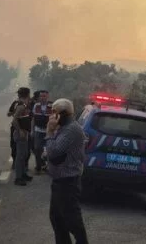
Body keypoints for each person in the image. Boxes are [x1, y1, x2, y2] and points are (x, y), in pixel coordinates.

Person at [46, 98, 88, 244]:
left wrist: (49, 131)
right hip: (60, 181)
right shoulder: (63, 128)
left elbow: (53, 152)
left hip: (68, 182)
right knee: (57, 219)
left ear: (63, 114)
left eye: (54, 112)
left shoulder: (71, 130)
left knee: (72, 221)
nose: (51, 116)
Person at [12, 87, 34, 186]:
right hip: (21, 134)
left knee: (24, 154)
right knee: (20, 156)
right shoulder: (21, 106)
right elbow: (14, 120)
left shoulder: (24, 105)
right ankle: (18, 178)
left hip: (25, 133)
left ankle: (23, 174)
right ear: (28, 94)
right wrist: (20, 130)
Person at [32, 90, 53, 174]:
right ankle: (38, 167)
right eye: (41, 96)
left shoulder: (52, 106)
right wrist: (32, 130)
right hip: (38, 130)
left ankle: (49, 166)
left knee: (50, 149)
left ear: (47, 96)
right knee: (37, 149)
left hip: (49, 131)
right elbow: (33, 119)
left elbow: (55, 119)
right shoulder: (36, 105)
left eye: (44, 96)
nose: (42, 98)